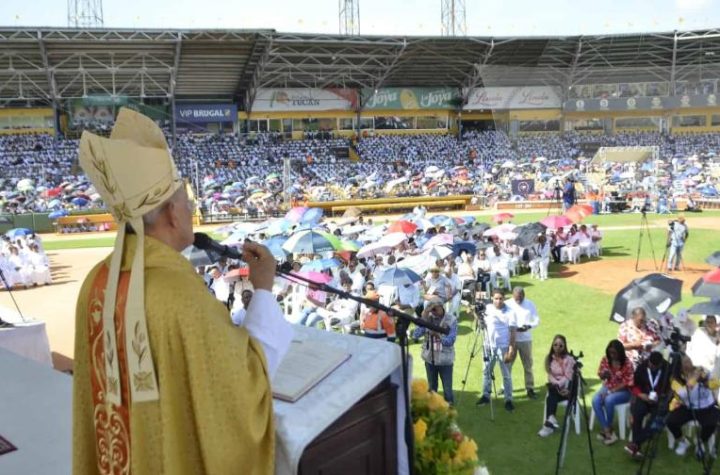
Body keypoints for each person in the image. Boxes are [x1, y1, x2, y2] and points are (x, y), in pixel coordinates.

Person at [73, 108, 293, 474]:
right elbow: (243, 385)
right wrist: (264, 288)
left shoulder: (96, 282)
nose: (192, 211)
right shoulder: (178, 293)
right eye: (188, 204)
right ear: (173, 214)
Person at [667, 354, 720, 456]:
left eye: (689, 361)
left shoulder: (701, 372)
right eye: (685, 362)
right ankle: (683, 442)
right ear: (680, 365)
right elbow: (683, 394)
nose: (688, 364)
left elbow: (716, 384)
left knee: (711, 424)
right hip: (688, 407)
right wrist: (693, 379)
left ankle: (700, 442)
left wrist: (706, 382)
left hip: (707, 406)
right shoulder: (676, 378)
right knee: (671, 421)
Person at [476, 289, 517, 412]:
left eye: (500, 298)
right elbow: (480, 322)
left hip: (503, 347)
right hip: (488, 345)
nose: (498, 301)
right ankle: (486, 395)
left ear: (504, 298)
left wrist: (511, 349)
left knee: (506, 375)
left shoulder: (510, 312)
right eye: (496, 298)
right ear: (492, 298)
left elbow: (513, 332)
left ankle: (508, 399)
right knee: (486, 371)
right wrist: (476, 314)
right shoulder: (487, 308)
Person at [624, 351, 669, 458]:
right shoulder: (642, 367)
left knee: (655, 420)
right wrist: (641, 395)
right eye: (650, 364)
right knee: (637, 413)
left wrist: (661, 397)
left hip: (659, 400)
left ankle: (635, 444)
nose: (652, 367)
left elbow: (671, 387)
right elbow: (634, 386)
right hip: (644, 397)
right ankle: (636, 446)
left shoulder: (667, 368)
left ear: (660, 364)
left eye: (654, 366)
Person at [413, 299, 458, 405]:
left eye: (435, 309)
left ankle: (449, 412)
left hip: (445, 360)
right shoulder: (428, 318)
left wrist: (438, 336)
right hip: (430, 359)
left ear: (441, 307)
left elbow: (450, 341)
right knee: (432, 388)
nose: (433, 312)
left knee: (447, 390)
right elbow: (415, 334)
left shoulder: (451, 320)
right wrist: (424, 318)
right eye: (431, 309)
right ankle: (433, 412)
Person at [592, 339, 634, 445]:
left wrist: (611, 391)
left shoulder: (627, 363)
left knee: (609, 400)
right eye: (610, 352)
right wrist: (603, 375)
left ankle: (608, 429)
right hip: (608, 386)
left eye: (614, 353)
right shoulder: (605, 360)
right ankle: (607, 430)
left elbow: (628, 382)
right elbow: (600, 374)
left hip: (624, 391)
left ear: (620, 352)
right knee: (595, 400)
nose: (612, 355)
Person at [506, 287, 540, 399]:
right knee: (508, 364)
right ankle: (505, 386)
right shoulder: (507, 304)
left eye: (520, 298)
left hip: (525, 339)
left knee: (528, 365)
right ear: (513, 295)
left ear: (523, 295)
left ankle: (530, 388)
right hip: (511, 339)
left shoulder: (530, 304)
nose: (518, 300)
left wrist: (529, 326)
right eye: (516, 298)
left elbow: (536, 320)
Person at [538, 335, 575, 437]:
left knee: (551, 396)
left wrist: (558, 385)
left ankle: (549, 424)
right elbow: (550, 375)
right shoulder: (550, 358)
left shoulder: (569, 359)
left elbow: (568, 376)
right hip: (555, 388)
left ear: (564, 346)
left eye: (560, 345)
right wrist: (556, 384)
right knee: (552, 393)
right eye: (555, 345)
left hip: (567, 389)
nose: (557, 347)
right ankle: (550, 420)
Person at [686, 315, 720, 379]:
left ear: (715, 324)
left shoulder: (718, 336)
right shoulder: (700, 332)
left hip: (713, 371)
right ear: (705, 323)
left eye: (711, 322)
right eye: (707, 322)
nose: (709, 324)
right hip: (698, 368)